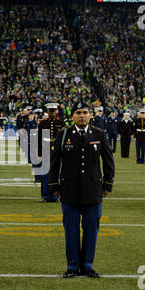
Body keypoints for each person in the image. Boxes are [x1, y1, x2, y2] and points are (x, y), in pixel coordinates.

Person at [48, 102, 115, 278]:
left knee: (91, 230)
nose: (82, 115)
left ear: (90, 115)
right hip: (69, 190)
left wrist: (107, 184)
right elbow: (54, 162)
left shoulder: (99, 134)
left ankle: (87, 265)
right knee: (71, 230)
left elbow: (108, 162)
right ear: (73, 116)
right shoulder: (64, 134)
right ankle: (72, 266)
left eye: (85, 112)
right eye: (78, 112)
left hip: (93, 190)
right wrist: (53, 185)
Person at [38, 103, 65, 202]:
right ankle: (46, 195)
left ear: (56, 111)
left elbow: (64, 140)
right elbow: (39, 139)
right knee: (45, 174)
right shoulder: (42, 123)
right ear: (48, 112)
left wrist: (63, 153)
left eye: (53, 111)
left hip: (57, 151)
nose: (52, 113)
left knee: (57, 174)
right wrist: (39, 153)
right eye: (50, 111)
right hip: (45, 149)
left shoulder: (61, 123)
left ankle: (55, 196)